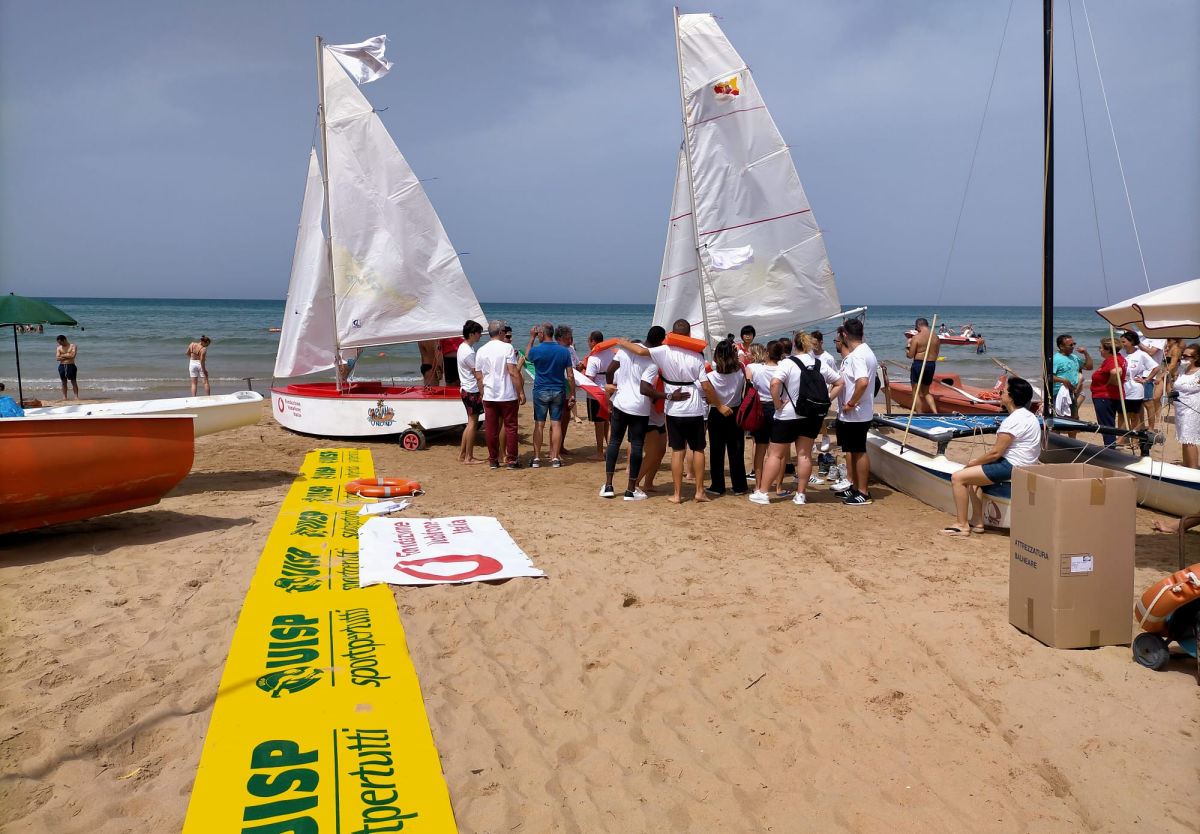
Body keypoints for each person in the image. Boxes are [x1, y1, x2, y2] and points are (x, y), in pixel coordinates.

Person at [617, 319, 707, 504]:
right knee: (696, 449)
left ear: (671, 334)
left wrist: (624, 343)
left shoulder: (662, 352)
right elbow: (705, 385)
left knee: (673, 451)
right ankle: (699, 491)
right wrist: (718, 404)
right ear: (689, 335)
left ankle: (675, 494)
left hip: (672, 410)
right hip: (693, 408)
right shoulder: (697, 355)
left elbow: (641, 351)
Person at [750, 334, 843, 506]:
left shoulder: (787, 363)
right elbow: (839, 382)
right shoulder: (819, 363)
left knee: (776, 455)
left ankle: (763, 492)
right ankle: (800, 494)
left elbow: (774, 384)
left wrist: (777, 404)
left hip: (788, 414)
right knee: (804, 455)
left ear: (794, 345)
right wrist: (827, 400)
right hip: (812, 415)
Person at [941, 377, 1040, 536]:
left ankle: (962, 525)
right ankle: (977, 522)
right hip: (1023, 464)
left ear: (1011, 397)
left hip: (1011, 466)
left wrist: (974, 462)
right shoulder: (1029, 416)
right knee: (974, 479)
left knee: (958, 478)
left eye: (1003, 391)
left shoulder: (1013, 420)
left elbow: (996, 453)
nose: (1000, 394)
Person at [600, 331, 658, 499]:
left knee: (614, 443)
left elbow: (610, 370)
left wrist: (610, 387)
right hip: (640, 407)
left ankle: (609, 485)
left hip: (620, 402)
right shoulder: (652, 361)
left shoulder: (623, 352)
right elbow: (646, 387)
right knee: (637, 445)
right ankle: (630, 489)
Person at [834, 319, 878, 505]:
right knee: (852, 449)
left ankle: (863, 492)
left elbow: (863, 382)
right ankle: (854, 487)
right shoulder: (863, 351)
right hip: (856, 412)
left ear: (845, 335)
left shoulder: (858, 355)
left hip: (857, 413)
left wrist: (851, 402)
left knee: (859, 451)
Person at [702, 339, 750, 496]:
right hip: (735, 412)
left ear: (717, 356)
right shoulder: (740, 371)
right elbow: (741, 359)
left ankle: (717, 485)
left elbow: (708, 398)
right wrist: (737, 350)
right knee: (736, 450)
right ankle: (740, 486)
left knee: (716, 451)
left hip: (717, 412)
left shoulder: (711, 376)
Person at [475, 320, 525, 469]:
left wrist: (482, 392)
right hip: (507, 394)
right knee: (510, 427)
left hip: (490, 394)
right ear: (501, 333)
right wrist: (520, 391)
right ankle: (511, 460)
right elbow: (512, 371)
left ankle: (493, 459)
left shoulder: (481, 350)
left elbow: (478, 376)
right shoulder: (507, 348)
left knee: (491, 428)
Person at [525, 323, 572, 468]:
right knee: (556, 424)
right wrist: (572, 394)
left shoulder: (537, 350)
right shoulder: (564, 351)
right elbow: (570, 375)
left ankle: (537, 458)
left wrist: (531, 339)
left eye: (538, 333)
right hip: (558, 390)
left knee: (539, 425)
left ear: (542, 334)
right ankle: (555, 458)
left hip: (541, 390)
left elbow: (527, 356)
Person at [746, 342, 787, 496]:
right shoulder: (784, 369)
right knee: (779, 451)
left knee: (760, 449)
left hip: (761, 409)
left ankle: (758, 485)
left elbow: (750, 387)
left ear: (767, 354)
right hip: (779, 408)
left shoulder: (758, 369)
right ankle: (778, 487)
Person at [634, 327, 670, 495]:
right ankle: (634, 483)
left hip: (658, 415)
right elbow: (644, 388)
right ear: (661, 341)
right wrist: (669, 396)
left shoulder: (653, 356)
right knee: (652, 452)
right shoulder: (647, 358)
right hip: (647, 413)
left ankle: (648, 483)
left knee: (661, 450)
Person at [1119, 330, 1159, 447]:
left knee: (1134, 416)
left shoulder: (1141, 354)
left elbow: (1156, 367)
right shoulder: (1120, 353)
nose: (1122, 344)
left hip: (1136, 390)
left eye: (1124, 342)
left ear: (1132, 342)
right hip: (1122, 389)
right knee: (1122, 415)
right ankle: (1122, 438)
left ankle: (1135, 440)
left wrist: (1145, 380)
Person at [456, 320, 486, 465]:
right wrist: (483, 391)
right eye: (479, 333)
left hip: (465, 388)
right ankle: (468, 457)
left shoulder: (463, 347)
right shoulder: (468, 352)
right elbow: (477, 374)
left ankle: (463, 454)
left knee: (470, 423)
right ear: (472, 334)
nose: (480, 335)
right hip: (471, 390)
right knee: (472, 424)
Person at [1090, 338, 1127, 448]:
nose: (1099, 350)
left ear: (1107, 350)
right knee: (1109, 424)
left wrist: (1110, 383)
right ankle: (1111, 447)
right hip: (1113, 396)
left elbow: (1116, 371)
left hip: (1105, 397)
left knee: (1106, 426)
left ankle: (1110, 449)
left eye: (1100, 348)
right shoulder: (1119, 358)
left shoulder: (1113, 359)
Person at [1050, 333, 1093, 427]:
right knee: (1059, 420)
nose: (1073, 346)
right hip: (1058, 393)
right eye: (1070, 345)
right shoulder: (1056, 359)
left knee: (1074, 419)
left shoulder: (1074, 357)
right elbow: (1048, 376)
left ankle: (1072, 439)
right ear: (1061, 346)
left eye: (1074, 344)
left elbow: (1089, 367)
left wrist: (1086, 353)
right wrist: (1065, 381)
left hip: (1072, 392)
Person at [583, 330, 613, 461]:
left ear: (593, 342)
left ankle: (600, 453)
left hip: (597, 394)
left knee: (599, 424)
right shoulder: (612, 354)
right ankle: (611, 450)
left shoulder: (594, 358)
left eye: (589, 341)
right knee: (608, 422)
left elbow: (590, 379)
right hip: (610, 391)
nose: (588, 343)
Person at [1170, 343, 1200, 469]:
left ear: (1196, 357)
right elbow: (1173, 379)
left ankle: (1193, 467)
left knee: (1190, 438)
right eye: (1183, 355)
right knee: (1183, 436)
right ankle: (1186, 464)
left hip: (1193, 408)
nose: (1183, 358)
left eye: (1187, 356)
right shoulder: (1183, 368)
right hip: (1180, 407)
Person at [904, 317, 940, 414]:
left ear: (918, 325)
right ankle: (935, 413)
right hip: (931, 364)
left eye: (916, 328)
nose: (917, 330)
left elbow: (910, 355)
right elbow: (936, 354)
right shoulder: (936, 337)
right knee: (926, 392)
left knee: (915, 392)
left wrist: (907, 346)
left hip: (919, 364)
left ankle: (919, 414)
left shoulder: (916, 338)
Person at [55, 335, 79, 399]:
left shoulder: (73, 346)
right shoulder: (59, 348)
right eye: (59, 343)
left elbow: (72, 356)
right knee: (63, 382)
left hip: (71, 365)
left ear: (65, 340)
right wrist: (68, 355)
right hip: (62, 366)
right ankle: (64, 397)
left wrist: (62, 355)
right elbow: (57, 358)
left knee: (73, 381)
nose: (60, 344)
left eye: (60, 342)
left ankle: (76, 397)